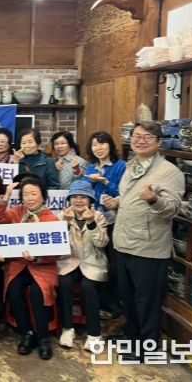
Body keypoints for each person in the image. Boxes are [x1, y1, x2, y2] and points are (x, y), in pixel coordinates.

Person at [101, 121, 184, 360]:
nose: (140, 140)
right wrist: (117, 203)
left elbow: (172, 209)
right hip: (124, 241)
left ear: (159, 142)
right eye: (137, 136)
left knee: (146, 301)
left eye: (147, 137)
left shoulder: (170, 172)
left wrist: (153, 200)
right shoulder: (131, 165)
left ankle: (147, 347)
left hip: (148, 247)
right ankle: (131, 336)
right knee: (127, 297)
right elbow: (129, 197)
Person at [0, 176, 59, 360]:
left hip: (43, 267)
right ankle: (26, 333)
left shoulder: (52, 219)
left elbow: (57, 253)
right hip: (18, 264)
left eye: (34, 194)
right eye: (26, 194)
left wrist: (37, 257)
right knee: (13, 289)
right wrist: (6, 195)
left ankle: (43, 337)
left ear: (43, 196)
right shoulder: (16, 212)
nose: (30, 198)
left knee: (39, 292)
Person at [56, 180, 109, 351]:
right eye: (75, 197)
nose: (78, 201)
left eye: (83, 197)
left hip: (92, 262)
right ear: (69, 199)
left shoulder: (99, 216)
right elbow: (56, 243)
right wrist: (64, 223)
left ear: (90, 200)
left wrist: (91, 222)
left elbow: (102, 243)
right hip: (69, 262)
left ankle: (94, 334)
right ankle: (67, 328)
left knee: (88, 287)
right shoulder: (62, 215)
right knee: (64, 283)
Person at [83, 130, 126, 320]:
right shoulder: (90, 167)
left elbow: (125, 192)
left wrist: (106, 181)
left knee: (114, 265)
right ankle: (100, 303)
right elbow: (85, 191)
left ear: (110, 145)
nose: (98, 148)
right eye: (94, 145)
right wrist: (88, 181)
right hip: (95, 219)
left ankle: (114, 306)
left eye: (102, 143)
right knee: (97, 262)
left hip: (114, 220)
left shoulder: (120, 166)